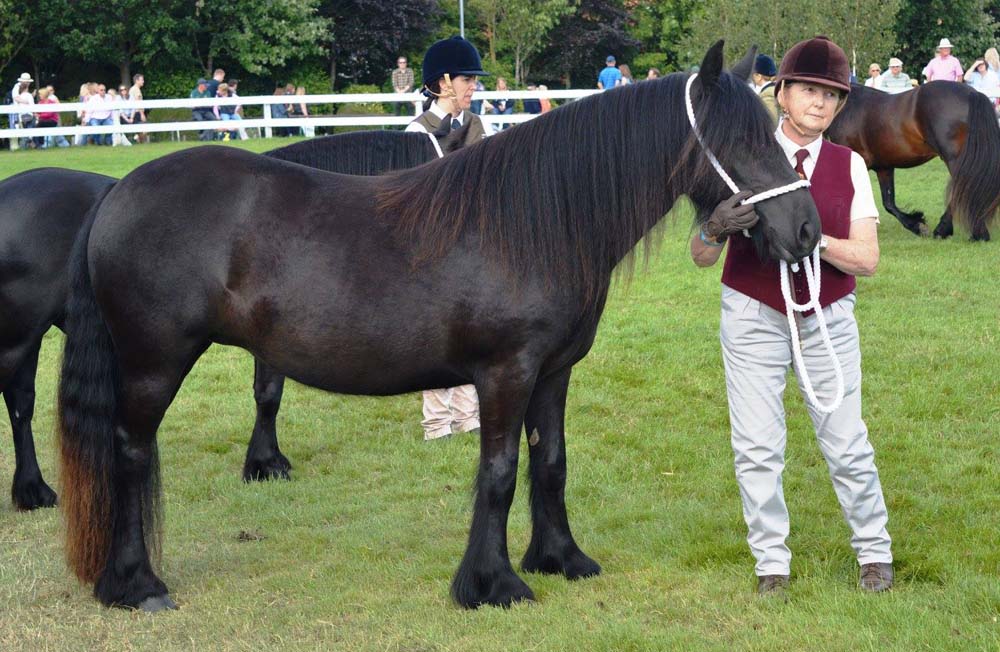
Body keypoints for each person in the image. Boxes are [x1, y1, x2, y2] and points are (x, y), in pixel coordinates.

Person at [690, 35, 893, 598]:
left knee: (846, 438)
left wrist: (811, 240)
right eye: (809, 90)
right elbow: (701, 254)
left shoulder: (849, 165)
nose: (821, 105)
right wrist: (714, 228)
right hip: (753, 312)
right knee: (757, 444)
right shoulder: (741, 154)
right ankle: (771, 563)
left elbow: (868, 258)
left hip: (825, 315)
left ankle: (874, 552)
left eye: (832, 96)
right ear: (781, 93)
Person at [404, 35, 489, 439]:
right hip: (431, 245)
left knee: (472, 327)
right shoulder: (415, 132)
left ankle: (469, 415)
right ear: (443, 83)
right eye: (467, 79)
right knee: (434, 331)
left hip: (473, 242)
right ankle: (437, 421)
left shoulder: (476, 126)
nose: (473, 86)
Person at [753, 54, 780, 126]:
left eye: (752, 74)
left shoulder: (768, 95)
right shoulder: (773, 90)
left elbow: (770, 125)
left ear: (759, 76)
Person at [128, 73, 148, 143]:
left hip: (135, 112)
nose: (143, 81)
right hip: (137, 112)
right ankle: (137, 140)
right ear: (137, 81)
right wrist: (142, 114)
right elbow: (138, 102)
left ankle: (137, 139)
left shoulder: (133, 89)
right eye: (142, 80)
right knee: (144, 129)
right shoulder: (136, 90)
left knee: (140, 130)